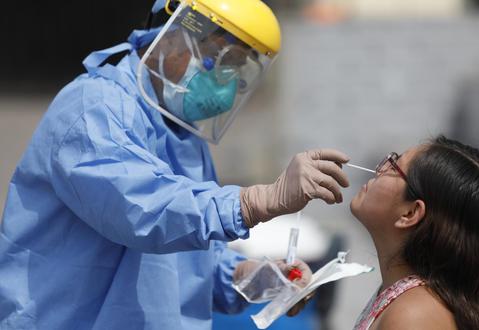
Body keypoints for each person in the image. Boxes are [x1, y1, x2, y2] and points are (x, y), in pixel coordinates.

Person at [0, 0, 350, 329]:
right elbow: (146, 211)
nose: (226, 84)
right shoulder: (94, 109)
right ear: (171, 36)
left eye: (238, 68)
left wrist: (253, 278)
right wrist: (255, 201)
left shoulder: (182, 135)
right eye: (221, 59)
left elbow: (189, 264)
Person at [350, 136, 479, 330]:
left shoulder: (413, 317)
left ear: (410, 213)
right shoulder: (409, 300)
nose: (380, 169)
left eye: (394, 166)